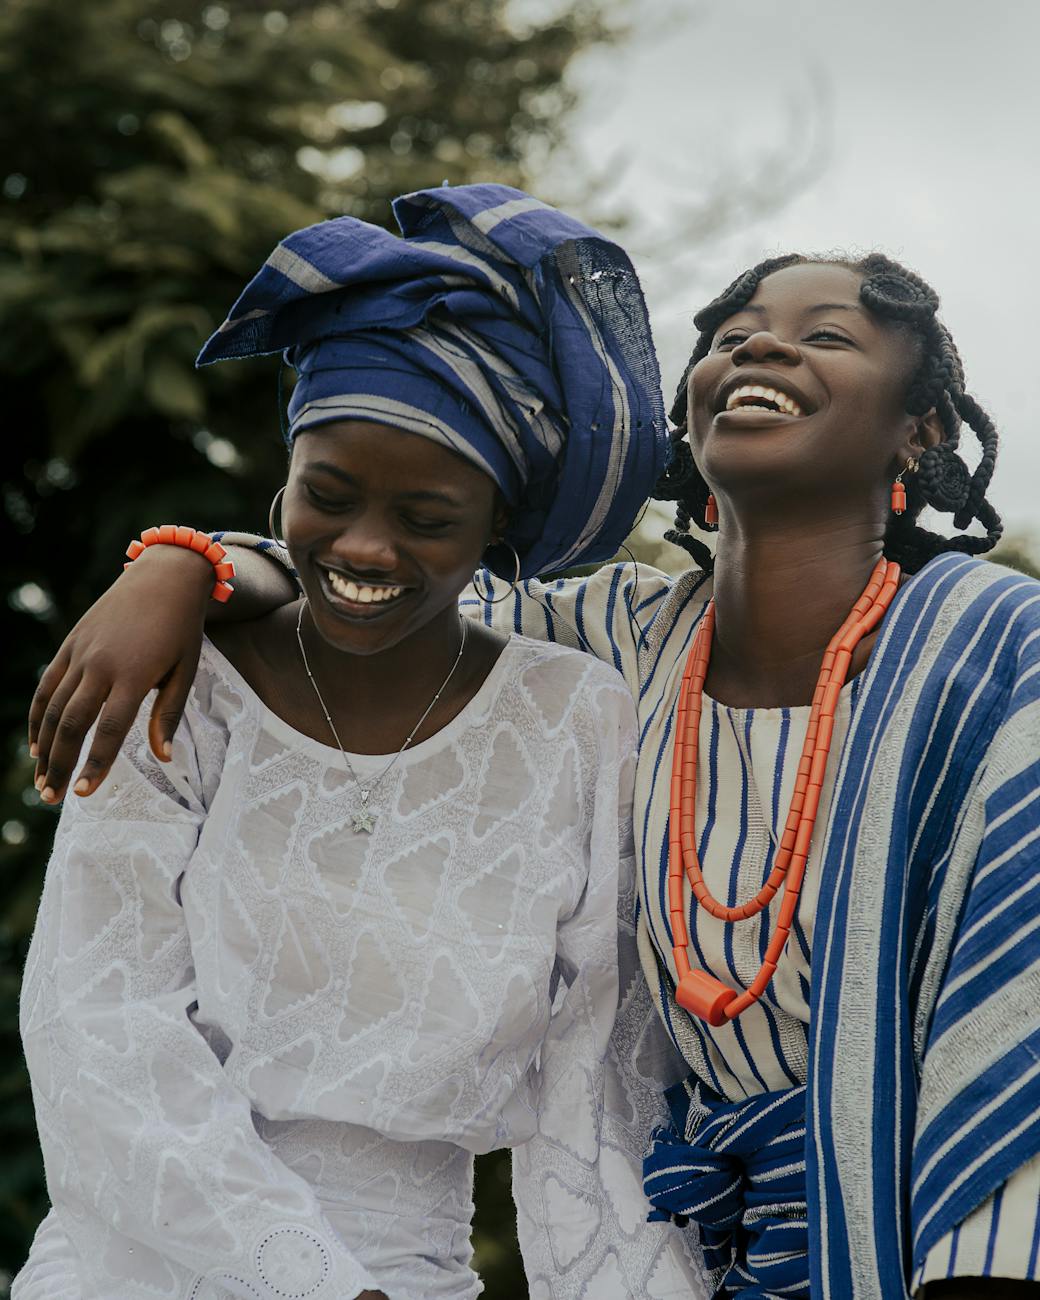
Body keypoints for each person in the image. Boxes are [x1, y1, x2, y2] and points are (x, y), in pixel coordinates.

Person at [27, 248, 1040, 1299]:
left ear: (921, 428)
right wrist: (186, 563)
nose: (764, 345)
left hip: (932, 1223)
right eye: (732, 333)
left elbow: (1019, 984)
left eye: (824, 333)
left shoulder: (992, 651)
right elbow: (385, 584)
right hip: (721, 1253)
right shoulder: (615, 640)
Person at [14, 184, 707, 1299]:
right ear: (282, 476)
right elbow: (96, 1031)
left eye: (427, 520)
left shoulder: (575, 717)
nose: (364, 547)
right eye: (324, 495)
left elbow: (596, 1095)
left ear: (496, 526)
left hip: (410, 1268)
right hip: (125, 1266)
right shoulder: (189, 682)